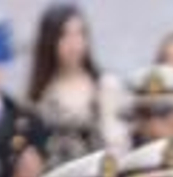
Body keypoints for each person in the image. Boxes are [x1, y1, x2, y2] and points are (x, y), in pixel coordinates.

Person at [25, 4, 129, 166]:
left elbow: (118, 144)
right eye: (64, 35)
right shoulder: (39, 94)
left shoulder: (105, 87)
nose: (74, 44)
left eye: (80, 34)